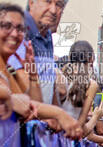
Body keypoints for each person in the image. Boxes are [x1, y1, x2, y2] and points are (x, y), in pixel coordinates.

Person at [0, 3, 81, 138]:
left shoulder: (8, 69)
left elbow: (30, 103)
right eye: (7, 27)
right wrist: (57, 113)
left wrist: (33, 75)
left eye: (19, 28)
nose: (14, 34)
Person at [8, 0, 68, 104]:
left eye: (59, 5)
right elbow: (20, 91)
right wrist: (59, 115)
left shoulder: (47, 34)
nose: (53, 10)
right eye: (47, 1)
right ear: (31, 2)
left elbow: (52, 89)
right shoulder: (18, 30)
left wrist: (55, 116)